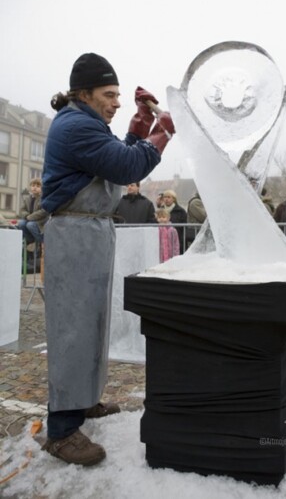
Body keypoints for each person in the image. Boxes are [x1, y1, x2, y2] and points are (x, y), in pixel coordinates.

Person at [41, 52, 175, 466]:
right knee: (72, 327)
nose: (115, 101)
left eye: (119, 95)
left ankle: (83, 401)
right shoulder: (75, 124)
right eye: (109, 94)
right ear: (84, 93)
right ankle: (62, 429)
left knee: (94, 323)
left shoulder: (89, 124)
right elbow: (125, 165)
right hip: (74, 232)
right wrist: (163, 132)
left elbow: (119, 151)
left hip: (92, 230)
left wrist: (138, 123)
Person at [17, 178, 49, 247]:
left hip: (41, 222)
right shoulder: (27, 198)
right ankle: (32, 242)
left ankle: (42, 242)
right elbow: (22, 210)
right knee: (21, 223)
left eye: (38, 186)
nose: (35, 187)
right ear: (30, 187)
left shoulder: (43, 198)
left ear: (41, 188)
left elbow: (44, 211)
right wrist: (26, 216)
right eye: (33, 185)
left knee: (30, 225)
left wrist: (30, 217)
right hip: (29, 219)